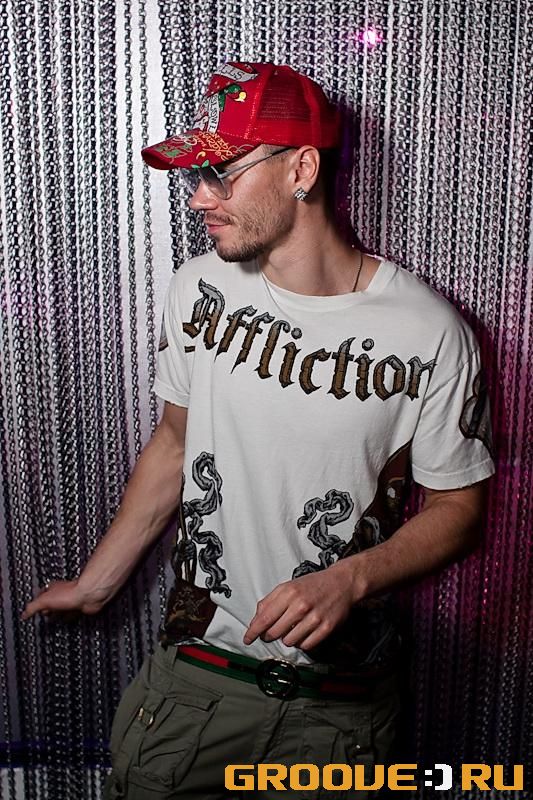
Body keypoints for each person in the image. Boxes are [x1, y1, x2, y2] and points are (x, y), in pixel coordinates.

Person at [22, 61, 495, 799]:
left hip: (340, 711)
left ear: (301, 168)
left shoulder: (429, 332)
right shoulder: (198, 288)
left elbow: (458, 508)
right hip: (194, 689)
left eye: (221, 174)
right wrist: (95, 583)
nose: (198, 198)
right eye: (196, 175)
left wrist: (351, 578)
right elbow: (174, 444)